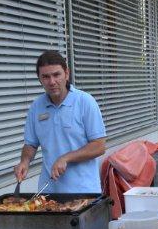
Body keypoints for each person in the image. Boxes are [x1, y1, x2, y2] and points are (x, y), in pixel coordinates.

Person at [14, 50, 106, 193]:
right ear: (39, 79)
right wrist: (24, 162)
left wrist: (66, 158)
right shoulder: (36, 107)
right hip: (48, 192)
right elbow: (30, 144)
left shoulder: (85, 102)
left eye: (56, 75)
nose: (52, 82)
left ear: (66, 74)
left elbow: (99, 146)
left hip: (83, 192)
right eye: (45, 77)